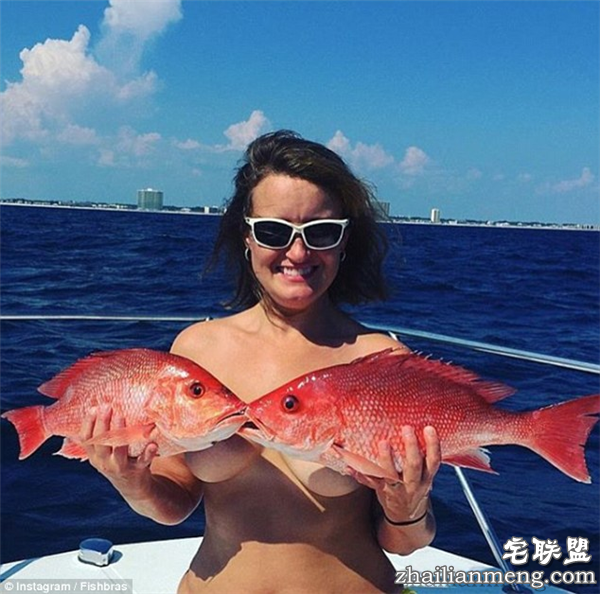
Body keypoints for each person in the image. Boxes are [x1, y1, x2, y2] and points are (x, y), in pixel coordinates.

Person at [82, 130, 441, 594]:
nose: (298, 252)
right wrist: (133, 484)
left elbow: (406, 542)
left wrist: (408, 505)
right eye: (275, 231)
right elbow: (175, 501)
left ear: (344, 242)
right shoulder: (197, 351)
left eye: (321, 232)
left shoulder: (381, 361)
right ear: (247, 237)